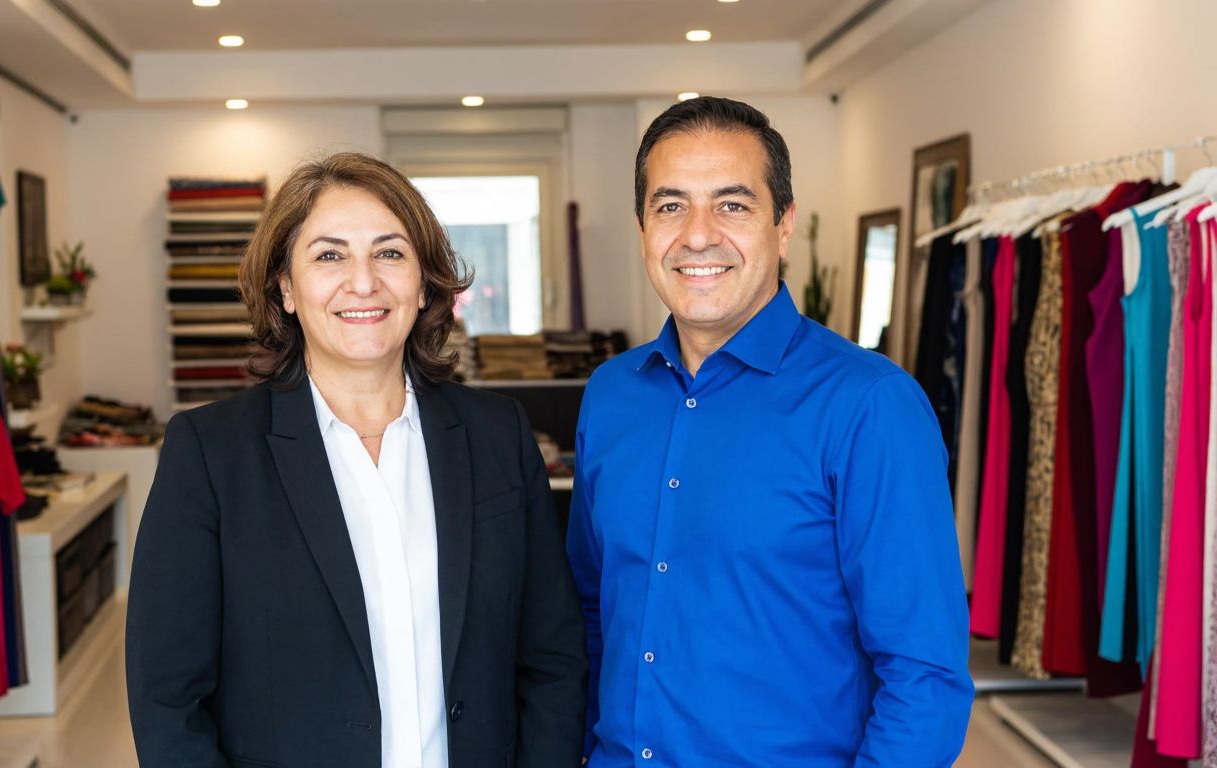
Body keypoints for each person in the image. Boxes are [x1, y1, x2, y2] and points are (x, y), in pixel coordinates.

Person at [126, 152, 587, 767]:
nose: (363, 281)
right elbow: (166, 700)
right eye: (329, 254)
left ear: (424, 283)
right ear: (286, 288)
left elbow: (552, 655)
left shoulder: (498, 435)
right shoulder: (209, 454)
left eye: (390, 253)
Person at [566, 97, 973, 766]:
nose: (698, 236)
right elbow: (588, 616)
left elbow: (923, 676)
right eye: (670, 206)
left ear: (783, 225)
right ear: (643, 229)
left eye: (732, 205)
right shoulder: (612, 396)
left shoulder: (870, 405)